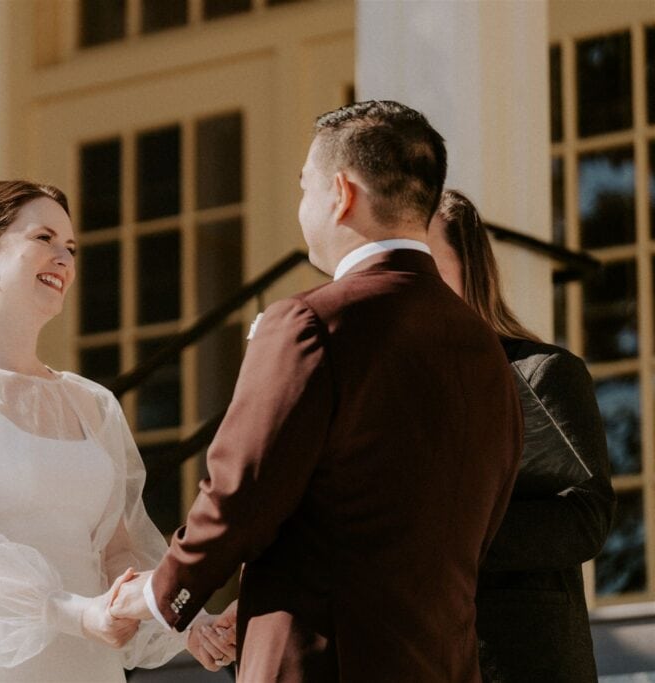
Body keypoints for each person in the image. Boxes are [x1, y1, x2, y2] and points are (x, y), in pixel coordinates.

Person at [110, 101, 523, 682]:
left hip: (323, 664)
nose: (301, 205)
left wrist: (161, 593)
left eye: (304, 186)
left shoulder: (311, 323)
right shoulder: (486, 349)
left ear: (340, 193)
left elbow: (242, 491)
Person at [0, 180, 235, 682]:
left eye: (70, 247)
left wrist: (188, 620)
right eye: (44, 239)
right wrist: (74, 613)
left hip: (86, 661)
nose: (64, 259)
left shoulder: (91, 403)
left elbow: (120, 551)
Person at [426, 189, 615, 682]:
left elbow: (583, 517)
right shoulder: (369, 391)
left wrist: (447, 537)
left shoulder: (539, 373)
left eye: (428, 266)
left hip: (520, 659)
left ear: (472, 269)